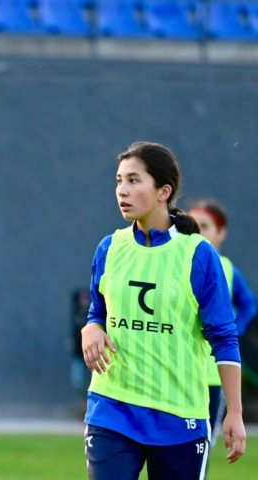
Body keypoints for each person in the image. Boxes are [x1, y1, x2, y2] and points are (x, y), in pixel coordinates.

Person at [81, 141, 246, 480]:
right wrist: (92, 327)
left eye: (133, 180)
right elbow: (97, 312)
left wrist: (235, 412)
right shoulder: (109, 248)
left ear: (163, 191)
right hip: (112, 408)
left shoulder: (198, 255)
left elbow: (224, 338)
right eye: (119, 180)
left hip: (179, 416)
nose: (122, 190)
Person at [188, 200, 256, 446]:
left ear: (221, 233)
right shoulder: (176, 262)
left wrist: (232, 331)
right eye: (193, 225)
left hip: (212, 373)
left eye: (205, 226)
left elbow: (248, 304)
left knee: (203, 441)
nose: (198, 232)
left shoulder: (226, 268)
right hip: (180, 370)